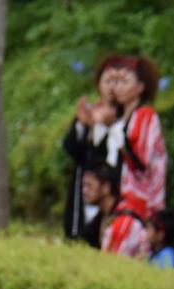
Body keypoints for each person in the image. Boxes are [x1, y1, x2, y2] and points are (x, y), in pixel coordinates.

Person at [103, 56, 166, 259]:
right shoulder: (124, 118)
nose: (117, 87)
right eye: (115, 82)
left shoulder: (145, 116)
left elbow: (140, 162)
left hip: (141, 205)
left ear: (140, 87)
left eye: (124, 81)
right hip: (127, 203)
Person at [62, 59, 124, 241]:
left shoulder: (127, 122)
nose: (113, 87)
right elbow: (72, 149)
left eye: (118, 81)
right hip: (83, 197)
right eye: (108, 81)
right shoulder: (90, 115)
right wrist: (83, 123)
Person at [81, 164, 121, 250]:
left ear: (106, 187)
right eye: (83, 185)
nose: (84, 191)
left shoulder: (124, 219)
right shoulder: (95, 224)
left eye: (89, 185)